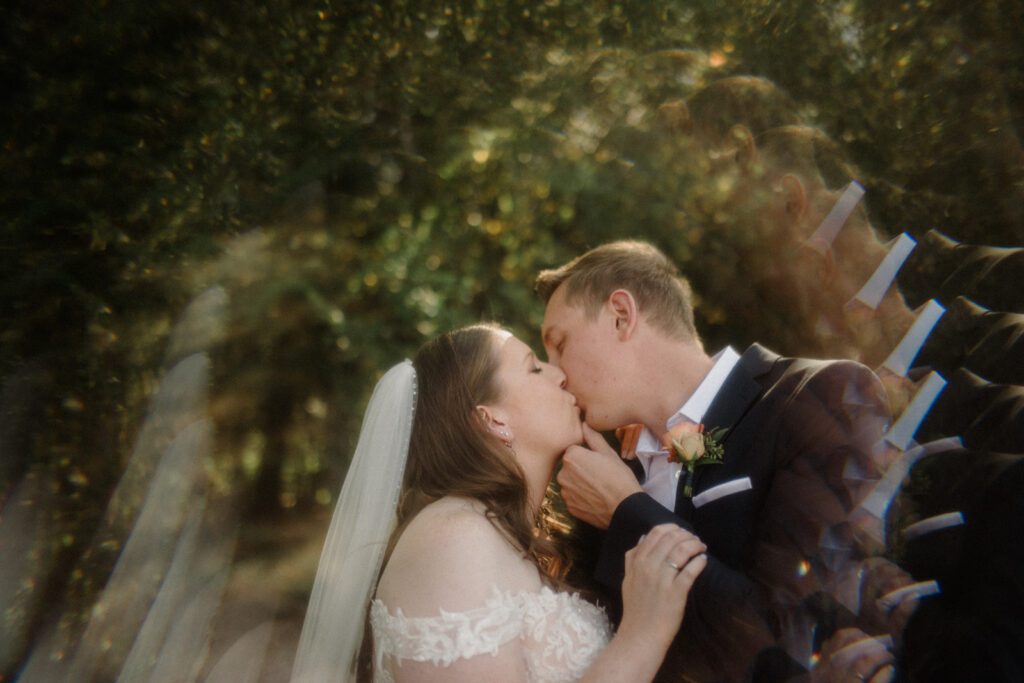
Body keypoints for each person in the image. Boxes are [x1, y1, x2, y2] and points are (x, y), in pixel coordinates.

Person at [536, 241, 892, 681]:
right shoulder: (603, 484)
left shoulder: (819, 397)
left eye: (560, 344)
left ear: (621, 316)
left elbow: (792, 638)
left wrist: (627, 513)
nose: (556, 373)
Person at [290, 323, 708, 683]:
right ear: (492, 419)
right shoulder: (454, 539)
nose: (560, 375)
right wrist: (641, 635)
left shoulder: (505, 533)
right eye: (534, 367)